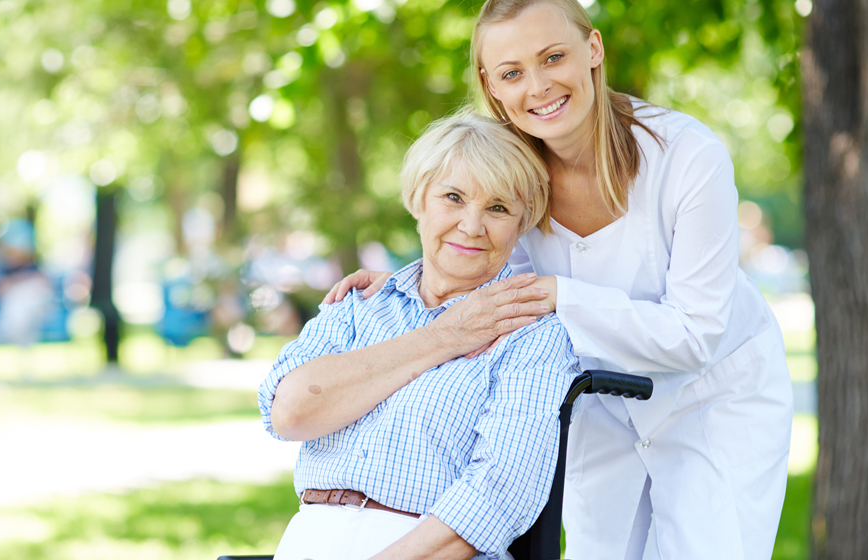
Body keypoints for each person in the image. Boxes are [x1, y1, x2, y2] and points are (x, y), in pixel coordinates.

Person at [324, 1, 794, 558]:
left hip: (713, 393)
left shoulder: (688, 157)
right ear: (488, 83)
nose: (539, 86)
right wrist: (413, 280)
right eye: (512, 73)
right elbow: (478, 263)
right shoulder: (510, 174)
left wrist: (559, 297)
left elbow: (696, 335)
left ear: (592, 50)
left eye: (553, 58)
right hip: (596, 394)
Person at [260, 112, 578, 560]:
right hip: (309, 538)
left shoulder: (532, 335)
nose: (472, 225)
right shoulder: (358, 305)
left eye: (498, 208)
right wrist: (446, 336)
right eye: (453, 197)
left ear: (523, 222)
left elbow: (501, 493)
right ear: (418, 200)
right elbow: (289, 413)